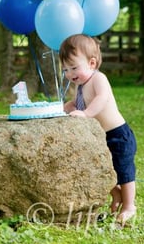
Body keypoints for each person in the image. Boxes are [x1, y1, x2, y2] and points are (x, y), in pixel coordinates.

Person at [59, 34, 137, 225]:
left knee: (124, 171)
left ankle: (129, 206)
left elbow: (101, 99)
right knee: (100, 168)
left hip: (118, 135)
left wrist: (85, 114)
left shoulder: (98, 79)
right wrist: (69, 107)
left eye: (74, 67)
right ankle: (116, 194)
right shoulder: (80, 85)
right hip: (101, 137)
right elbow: (79, 103)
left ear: (92, 63)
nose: (70, 74)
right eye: (66, 70)